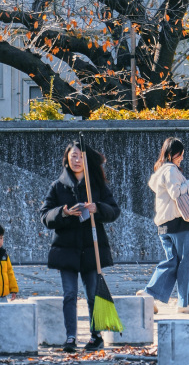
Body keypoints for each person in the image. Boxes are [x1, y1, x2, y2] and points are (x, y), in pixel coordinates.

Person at [41, 141, 121, 354]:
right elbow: (45, 216)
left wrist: (98, 208)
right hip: (66, 250)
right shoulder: (57, 186)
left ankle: (96, 336)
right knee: (69, 294)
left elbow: (114, 211)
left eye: (81, 157)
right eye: (73, 156)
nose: (77, 161)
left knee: (93, 294)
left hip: (91, 249)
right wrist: (64, 213)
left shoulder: (97, 185)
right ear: (66, 159)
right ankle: (71, 336)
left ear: (87, 160)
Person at [138, 137, 189, 316]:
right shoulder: (170, 170)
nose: (181, 157)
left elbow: (182, 192)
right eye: (179, 154)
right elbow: (177, 193)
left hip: (165, 224)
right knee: (187, 263)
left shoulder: (162, 171)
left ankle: (148, 293)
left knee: (173, 262)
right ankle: (185, 303)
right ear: (171, 153)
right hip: (179, 223)